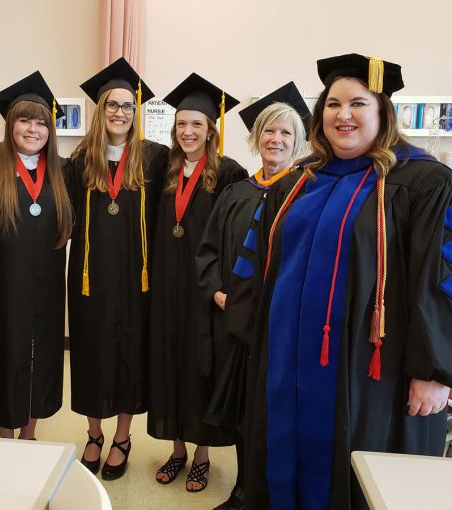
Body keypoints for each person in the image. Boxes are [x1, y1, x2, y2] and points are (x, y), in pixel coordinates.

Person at [226, 53, 452, 509]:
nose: (343, 115)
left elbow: (440, 278)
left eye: (357, 103)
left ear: (382, 111)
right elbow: (257, 266)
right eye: (332, 104)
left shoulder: (422, 182)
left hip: (371, 373)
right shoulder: (296, 182)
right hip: (286, 363)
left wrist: (434, 371)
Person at [196, 81, 310, 510]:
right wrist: (218, 293)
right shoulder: (235, 193)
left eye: (285, 133)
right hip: (236, 322)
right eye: (268, 131)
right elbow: (206, 251)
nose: (276, 140)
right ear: (255, 138)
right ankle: (244, 489)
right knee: (243, 412)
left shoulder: (306, 194)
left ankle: (271, 493)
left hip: (281, 328)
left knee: (273, 411)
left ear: (298, 141)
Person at [68, 57, 169, 480]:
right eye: (112, 104)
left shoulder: (155, 158)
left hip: (136, 279)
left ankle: (122, 438)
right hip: (90, 279)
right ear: (100, 109)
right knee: (90, 353)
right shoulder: (78, 161)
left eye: (128, 106)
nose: (120, 112)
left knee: (130, 355)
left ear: (136, 111)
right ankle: (93, 434)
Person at [147, 73, 247, 493]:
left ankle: (202, 456)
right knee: (169, 366)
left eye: (197, 125)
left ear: (211, 131)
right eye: (182, 124)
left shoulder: (228, 173)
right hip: (166, 290)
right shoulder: (163, 169)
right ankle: (176, 451)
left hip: (203, 292)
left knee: (199, 370)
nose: (188, 132)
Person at [0, 72, 73, 440]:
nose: (33, 129)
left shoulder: (62, 172)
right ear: (10, 123)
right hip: (0, 288)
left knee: (41, 359)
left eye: (41, 122)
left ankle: (29, 436)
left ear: (50, 128)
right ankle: (6, 438)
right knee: (4, 357)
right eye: (24, 120)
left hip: (46, 289)